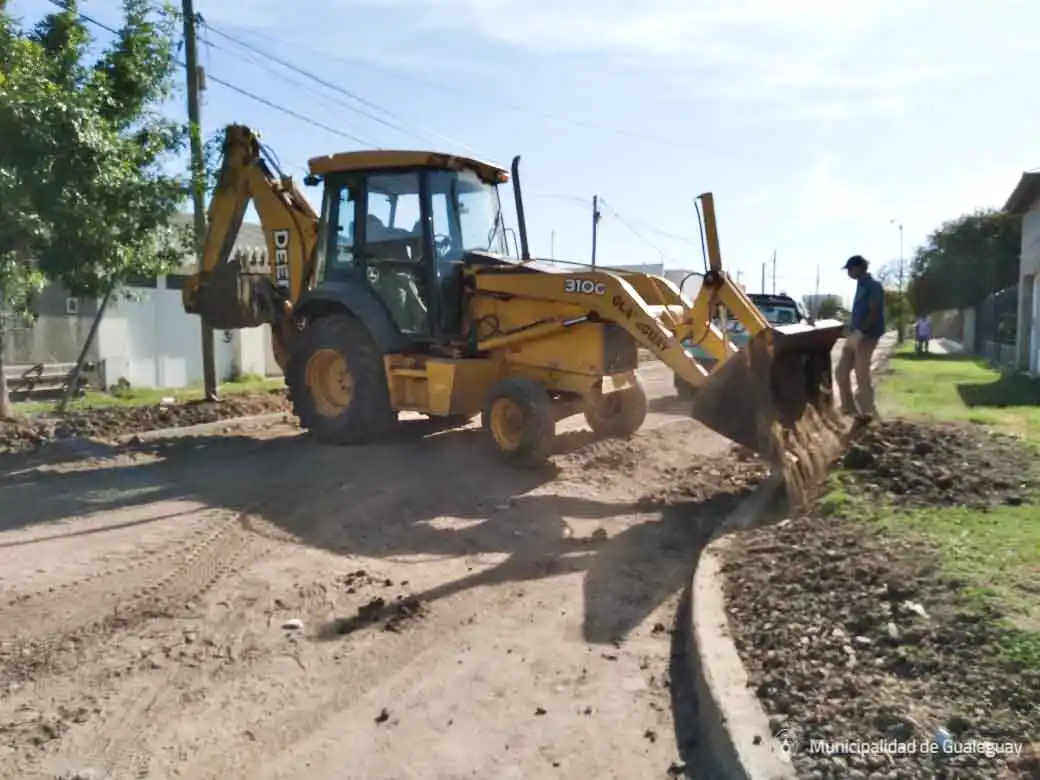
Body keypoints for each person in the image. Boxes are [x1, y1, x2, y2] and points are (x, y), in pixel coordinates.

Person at [837, 255, 885, 418]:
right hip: (855, 334)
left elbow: (874, 311)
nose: (848, 273)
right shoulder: (860, 286)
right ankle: (848, 408)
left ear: (858, 268)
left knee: (861, 373)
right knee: (841, 371)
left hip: (867, 336)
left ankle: (868, 412)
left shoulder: (873, 286)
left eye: (849, 269)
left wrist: (861, 332)